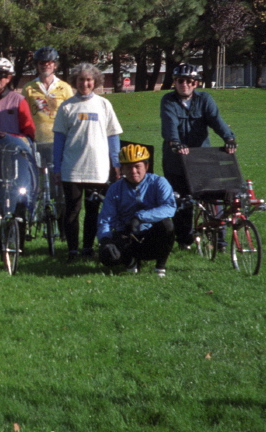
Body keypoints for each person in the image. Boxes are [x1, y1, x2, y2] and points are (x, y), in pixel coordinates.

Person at [160, 64, 236, 247]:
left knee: (213, 196)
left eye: (189, 81)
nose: (184, 84)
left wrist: (229, 138)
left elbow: (215, 120)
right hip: (176, 160)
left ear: (195, 83)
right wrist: (175, 142)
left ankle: (219, 239)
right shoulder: (168, 100)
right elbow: (170, 123)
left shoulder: (204, 99)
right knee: (182, 201)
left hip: (202, 157)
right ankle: (184, 240)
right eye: (180, 80)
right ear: (174, 83)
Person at [52, 63, 122, 261]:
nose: (85, 83)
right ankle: (73, 250)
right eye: (81, 79)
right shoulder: (67, 106)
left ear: (96, 81)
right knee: (72, 210)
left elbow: (113, 136)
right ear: (75, 81)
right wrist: (57, 168)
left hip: (97, 168)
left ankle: (88, 248)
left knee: (93, 211)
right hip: (72, 168)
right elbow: (59, 141)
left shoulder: (104, 104)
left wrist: (116, 163)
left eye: (89, 79)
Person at [97, 144, 176, 277]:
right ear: (122, 169)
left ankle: (160, 266)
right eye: (128, 167)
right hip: (127, 234)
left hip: (151, 234)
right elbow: (106, 218)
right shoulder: (115, 189)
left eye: (137, 166)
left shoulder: (159, 182)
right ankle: (130, 261)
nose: (133, 171)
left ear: (146, 166)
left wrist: (140, 217)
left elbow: (169, 207)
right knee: (107, 256)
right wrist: (105, 239)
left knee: (167, 225)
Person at [23, 47, 74, 226]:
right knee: (37, 183)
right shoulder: (29, 88)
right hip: (36, 143)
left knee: (58, 184)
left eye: (49, 63)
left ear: (55, 65)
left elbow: (71, 115)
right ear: (36, 65)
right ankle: (36, 217)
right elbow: (23, 115)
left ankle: (61, 220)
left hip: (59, 143)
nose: (46, 66)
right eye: (42, 63)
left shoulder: (65, 88)